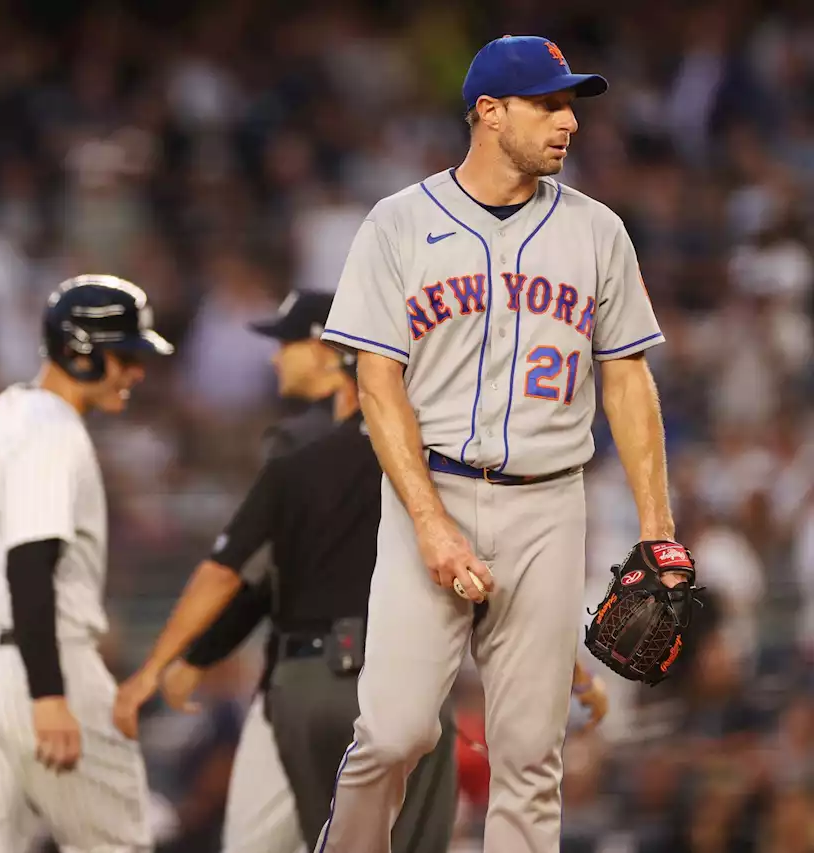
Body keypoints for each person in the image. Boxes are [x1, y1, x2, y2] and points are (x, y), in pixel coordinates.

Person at [307, 36, 691, 852]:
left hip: (550, 500)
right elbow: (377, 386)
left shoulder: (598, 232)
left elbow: (626, 378)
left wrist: (658, 528)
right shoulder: (399, 224)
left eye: (570, 106)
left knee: (529, 757)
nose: (567, 123)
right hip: (433, 490)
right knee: (394, 732)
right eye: (547, 104)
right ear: (488, 112)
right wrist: (428, 519)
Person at [113, 289, 461, 852]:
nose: (275, 356)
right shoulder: (431, 449)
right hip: (395, 668)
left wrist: (183, 659)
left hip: (300, 680)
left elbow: (245, 575)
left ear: (329, 350)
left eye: (286, 342)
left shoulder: (299, 444)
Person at [0, 275, 174, 853]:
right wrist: (49, 696)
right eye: (126, 357)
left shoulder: (1, 414)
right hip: (39, 664)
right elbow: (30, 566)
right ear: (81, 353)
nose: (136, 372)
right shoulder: (52, 429)